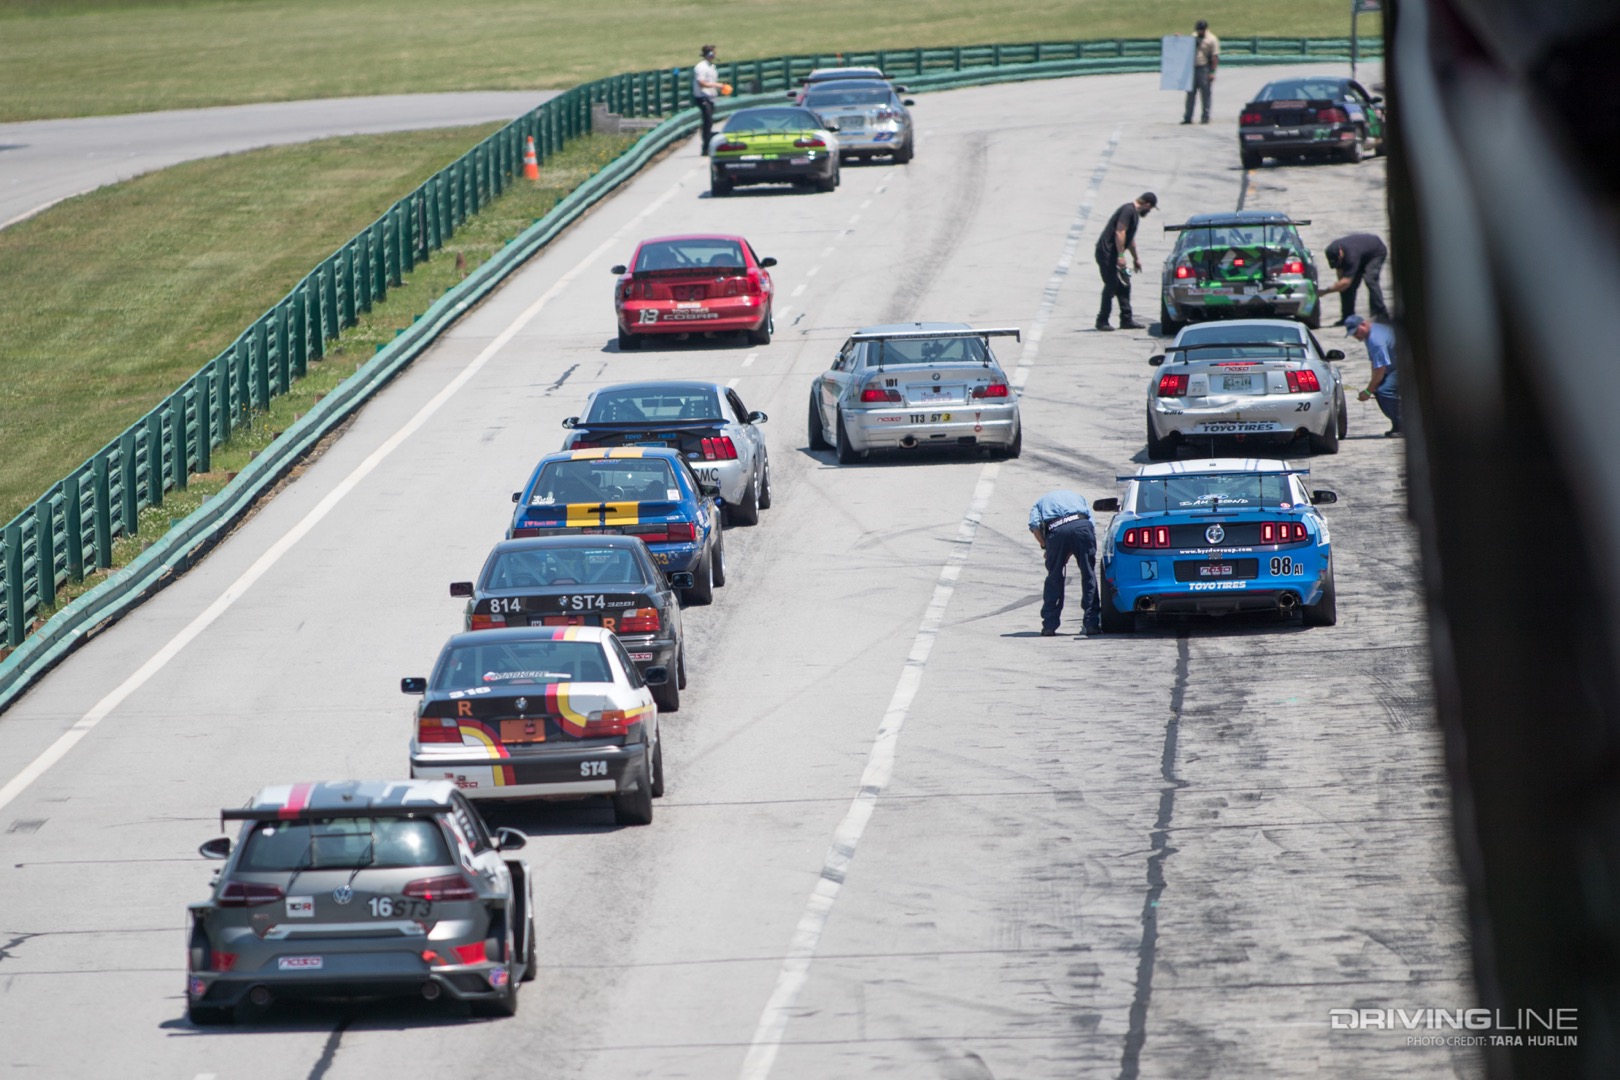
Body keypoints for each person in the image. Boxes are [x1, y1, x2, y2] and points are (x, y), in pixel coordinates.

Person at [1029, 491, 1101, 636]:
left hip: (1057, 531)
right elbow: (1091, 523)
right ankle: (1092, 623)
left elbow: (1034, 525)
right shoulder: (1079, 497)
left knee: (1054, 577)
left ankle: (1049, 626)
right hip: (1082, 527)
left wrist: (1045, 546)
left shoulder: (1039, 503)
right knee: (1088, 574)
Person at [1095, 192, 1157, 331]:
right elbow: (1120, 232)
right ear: (1147, 204)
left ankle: (1126, 320)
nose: (1149, 211)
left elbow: (1130, 239)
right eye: (1150, 208)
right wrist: (1121, 255)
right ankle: (1102, 320)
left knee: (1125, 284)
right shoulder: (1128, 210)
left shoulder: (1133, 214)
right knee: (1111, 284)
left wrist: (1136, 259)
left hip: (1115, 254)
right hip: (1107, 254)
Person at [1345, 314, 1401, 436]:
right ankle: (1398, 424)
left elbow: (1380, 369)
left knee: (1385, 391)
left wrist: (1368, 391)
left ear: (1364, 324)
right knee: (1378, 388)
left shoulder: (1375, 341)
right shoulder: (1371, 333)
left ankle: (1403, 425)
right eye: (1353, 334)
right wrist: (1372, 386)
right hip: (1394, 366)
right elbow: (1375, 365)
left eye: (1357, 332)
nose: (1356, 336)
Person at [1320, 234, 1390, 323]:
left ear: (1340, 253)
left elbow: (1346, 282)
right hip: (1361, 253)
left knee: (1370, 279)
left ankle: (1381, 313)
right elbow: (1341, 277)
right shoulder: (1334, 251)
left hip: (1376, 252)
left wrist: (1325, 291)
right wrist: (1340, 285)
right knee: (1346, 286)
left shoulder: (1351, 256)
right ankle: (1347, 316)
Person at [1182, 20, 1220, 124]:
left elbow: (1215, 57)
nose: (1199, 32)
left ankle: (1205, 117)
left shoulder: (1212, 39)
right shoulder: (1193, 36)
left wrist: (1212, 72)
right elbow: (1184, 45)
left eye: (1201, 30)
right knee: (1190, 94)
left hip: (1204, 68)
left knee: (1205, 94)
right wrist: (1178, 38)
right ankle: (1188, 117)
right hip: (1192, 68)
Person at [693, 45, 722, 155]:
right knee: (708, 120)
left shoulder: (712, 66)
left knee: (709, 122)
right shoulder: (701, 67)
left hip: (711, 97)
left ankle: (707, 143)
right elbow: (701, 83)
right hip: (702, 96)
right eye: (713, 53)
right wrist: (718, 85)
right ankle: (705, 147)